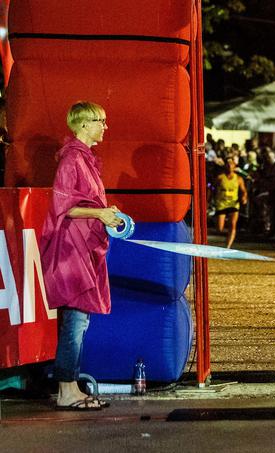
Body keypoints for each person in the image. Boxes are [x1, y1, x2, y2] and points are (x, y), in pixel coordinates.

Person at [40, 101, 124, 410]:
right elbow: (64, 208)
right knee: (75, 320)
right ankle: (66, 390)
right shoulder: (72, 160)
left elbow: (86, 204)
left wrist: (106, 214)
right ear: (83, 124)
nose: (105, 126)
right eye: (100, 120)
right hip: (71, 249)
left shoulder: (85, 160)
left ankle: (70, 386)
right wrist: (100, 212)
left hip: (84, 247)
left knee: (79, 319)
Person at [213, 157, 247, 248]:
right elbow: (211, 187)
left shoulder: (239, 178)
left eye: (231, 164)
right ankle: (227, 231)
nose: (229, 166)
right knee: (220, 229)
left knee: (233, 225)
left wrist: (244, 197)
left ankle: (228, 246)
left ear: (235, 166)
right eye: (228, 164)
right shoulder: (220, 177)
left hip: (233, 204)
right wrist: (209, 199)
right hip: (221, 204)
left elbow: (243, 190)